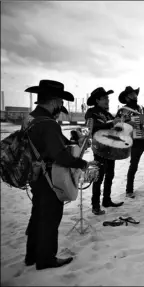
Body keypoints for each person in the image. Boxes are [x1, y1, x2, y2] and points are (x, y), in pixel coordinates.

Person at [23, 80, 94, 270]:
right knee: (50, 218)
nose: (60, 108)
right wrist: (82, 163)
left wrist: (72, 141)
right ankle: (46, 259)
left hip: (35, 175)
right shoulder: (48, 124)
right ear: (54, 101)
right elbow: (61, 156)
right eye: (60, 103)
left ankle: (31, 255)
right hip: (48, 177)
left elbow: (51, 144)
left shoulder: (30, 118)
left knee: (37, 214)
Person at [85, 87, 124, 215]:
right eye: (105, 98)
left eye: (108, 98)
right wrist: (112, 123)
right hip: (99, 148)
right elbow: (93, 128)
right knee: (99, 176)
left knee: (110, 174)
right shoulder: (91, 112)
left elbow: (113, 129)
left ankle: (106, 200)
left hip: (110, 148)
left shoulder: (107, 114)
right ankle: (95, 205)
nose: (108, 100)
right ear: (97, 100)